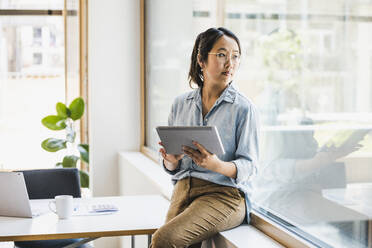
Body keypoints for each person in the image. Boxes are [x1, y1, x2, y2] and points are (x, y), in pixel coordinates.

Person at [151, 27, 259, 248]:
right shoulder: (180, 104)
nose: (230, 63)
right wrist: (170, 161)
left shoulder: (244, 108)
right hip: (183, 188)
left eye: (235, 56)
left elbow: (250, 167)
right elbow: (173, 166)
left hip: (224, 196)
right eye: (221, 55)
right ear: (201, 59)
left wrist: (216, 165)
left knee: (163, 240)